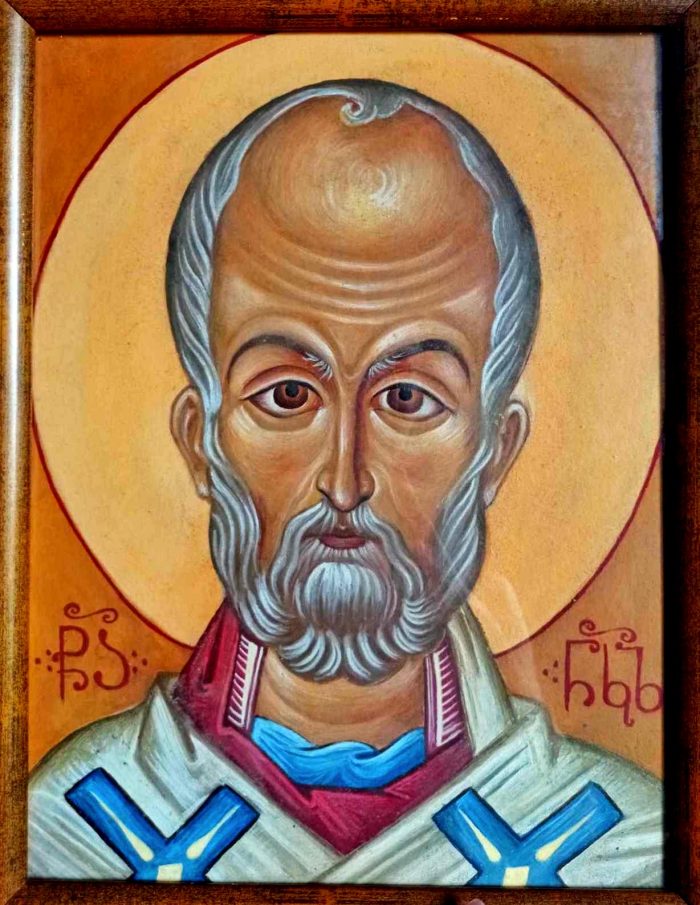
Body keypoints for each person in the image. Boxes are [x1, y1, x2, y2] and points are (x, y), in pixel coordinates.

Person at [29, 79, 662, 887]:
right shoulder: (68, 834)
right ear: (200, 442)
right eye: (287, 395)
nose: (344, 480)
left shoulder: (621, 852)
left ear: (495, 450)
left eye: (408, 399)